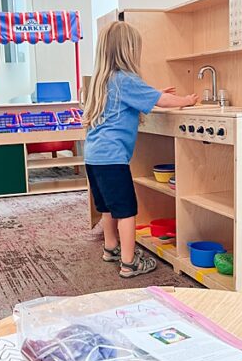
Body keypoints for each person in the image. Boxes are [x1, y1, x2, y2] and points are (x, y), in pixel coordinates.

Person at [81, 21, 198, 277]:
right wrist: (186, 101)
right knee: (127, 211)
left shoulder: (103, 80)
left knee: (108, 207)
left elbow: (144, 97)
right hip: (113, 158)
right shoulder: (126, 80)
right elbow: (164, 101)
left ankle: (110, 248)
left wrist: (153, 93)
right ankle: (129, 262)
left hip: (93, 156)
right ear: (128, 51)